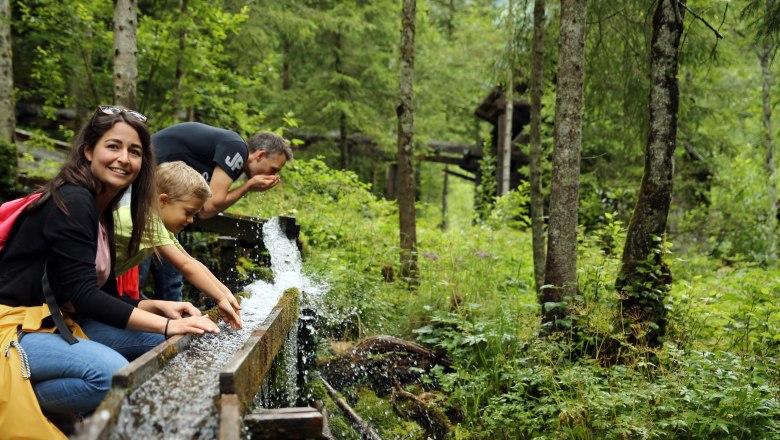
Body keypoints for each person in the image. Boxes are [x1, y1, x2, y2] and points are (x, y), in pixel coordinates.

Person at [0, 106, 219, 438]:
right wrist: (169, 323)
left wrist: (156, 306)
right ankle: (24, 401)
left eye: (135, 151)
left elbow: (97, 294)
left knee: (159, 343)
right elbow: (85, 297)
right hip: (13, 327)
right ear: (89, 151)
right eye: (113, 146)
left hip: (52, 323)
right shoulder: (73, 200)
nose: (123, 159)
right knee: (110, 374)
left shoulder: (102, 208)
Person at [141, 123, 293, 301]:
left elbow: (204, 212)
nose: (271, 174)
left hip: (156, 196)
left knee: (172, 273)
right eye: (273, 169)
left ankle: (173, 318)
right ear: (260, 155)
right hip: (142, 188)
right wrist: (248, 186)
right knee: (141, 266)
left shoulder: (233, 161)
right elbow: (210, 207)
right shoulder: (237, 148)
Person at [114, 161, 243, 329]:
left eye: (194, 215)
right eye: (188, 212)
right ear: (163, 201)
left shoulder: (157, 224)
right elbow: (185, 266)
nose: (190, 221)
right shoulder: (145, 219)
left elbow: (190, 261)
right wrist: (219, 299)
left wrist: (226, 293)